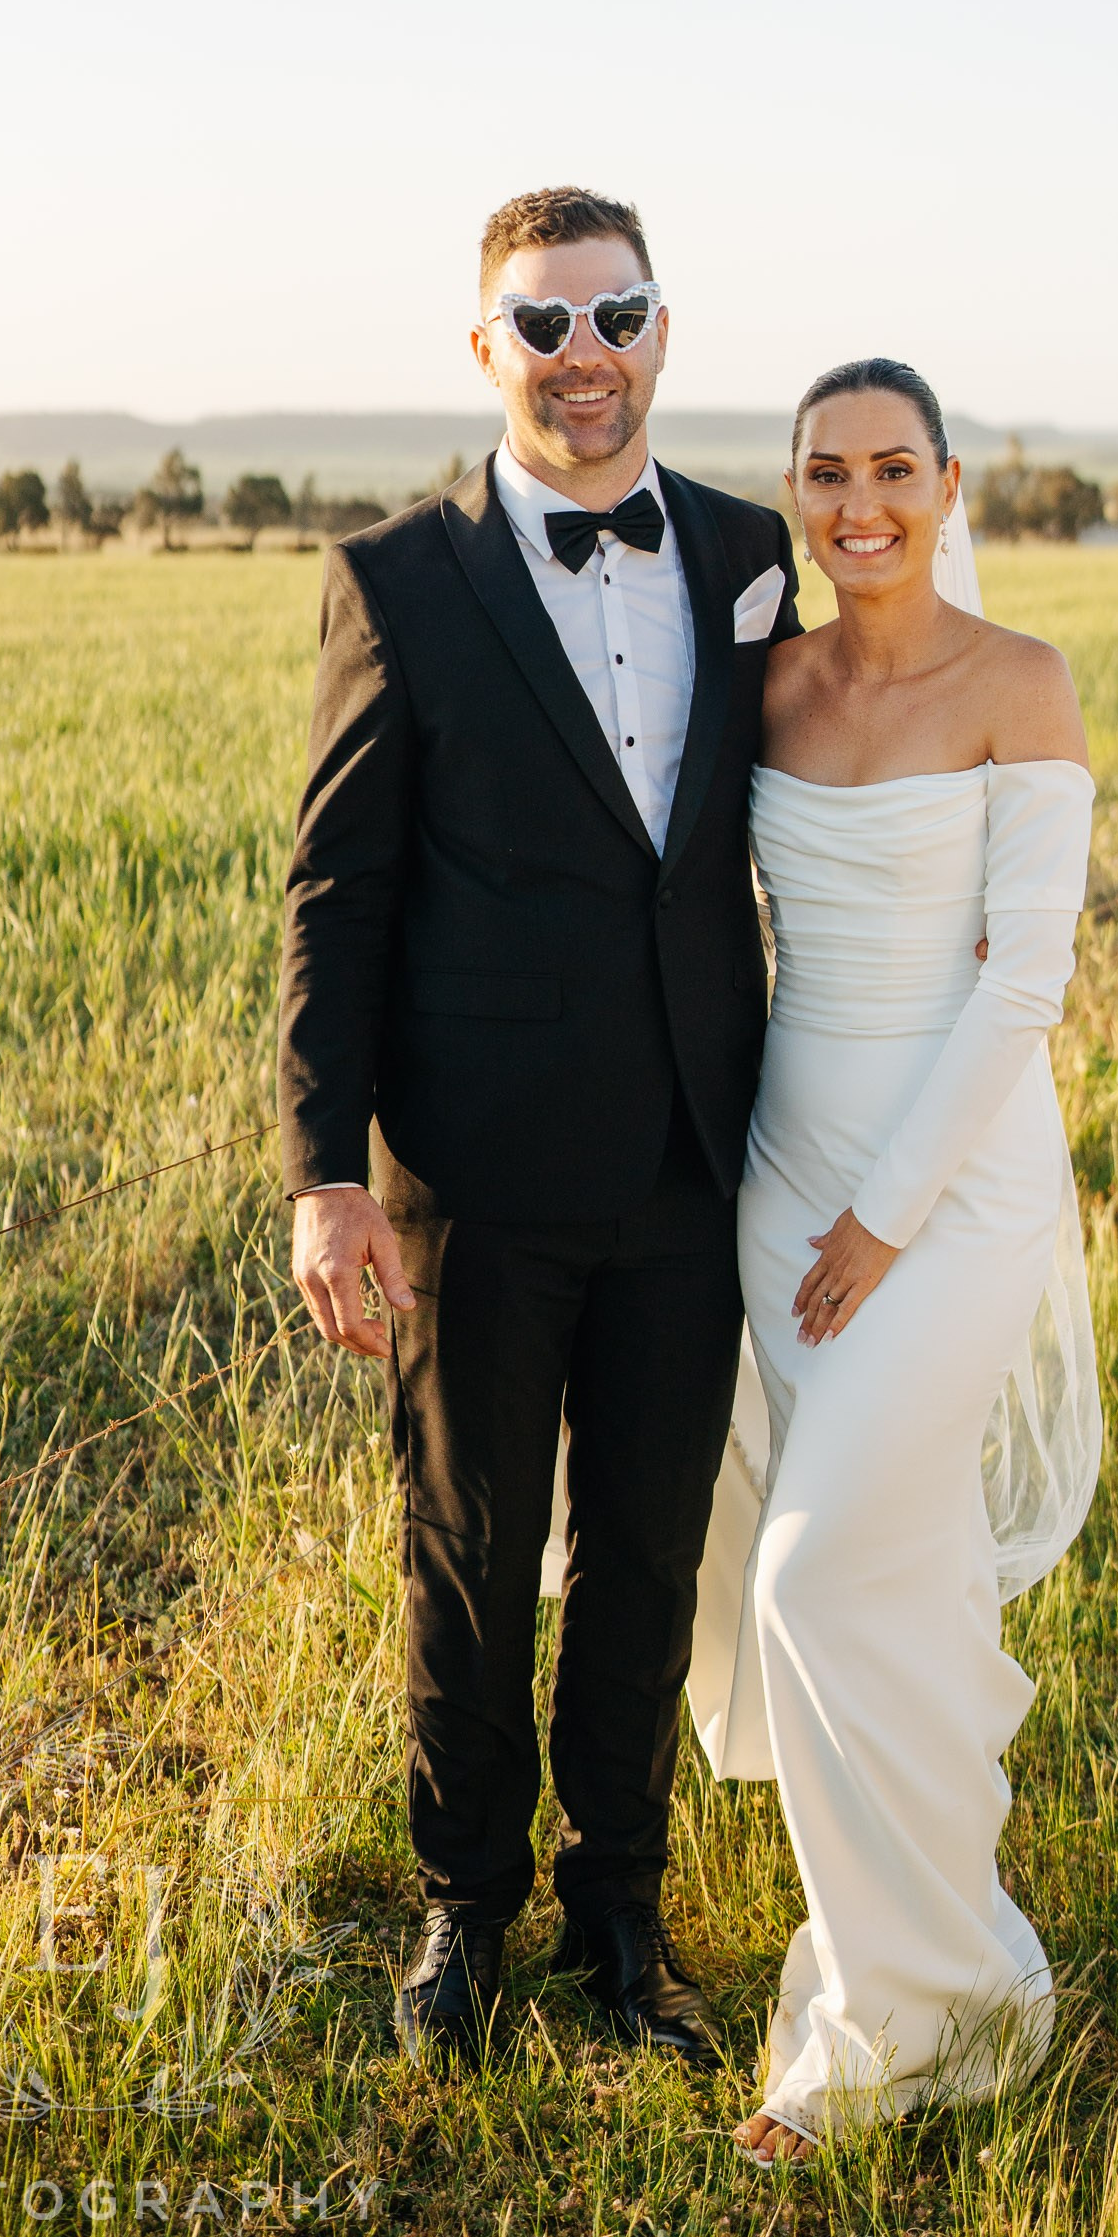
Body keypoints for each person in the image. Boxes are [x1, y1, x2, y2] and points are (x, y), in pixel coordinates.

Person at [277, 185, 801, 2067]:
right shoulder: (396, 577)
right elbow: (337, 895)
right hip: (473, 1185)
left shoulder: (749, 554)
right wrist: (329, 1174)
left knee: (652, 1559)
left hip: (691, 1161)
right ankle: (462, 1913)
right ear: (486, 346)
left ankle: (622, 1921)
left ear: (664, 332)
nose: (586, 358)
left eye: (619, 316)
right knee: (471, 1550)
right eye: (545, 322)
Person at [683, 356, 1102, 2161]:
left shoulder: (1024, 686)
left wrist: (888, 1217)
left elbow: (1024, 979)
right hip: (787, 1179)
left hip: (950, 1195)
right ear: (795, 489)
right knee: (893, 1577)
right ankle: (967, 1982)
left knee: (805, 1580)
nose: (862, 504)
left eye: (895, 469)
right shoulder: (765, 685)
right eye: (827, 472)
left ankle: (874, 2037)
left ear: (948, 485)